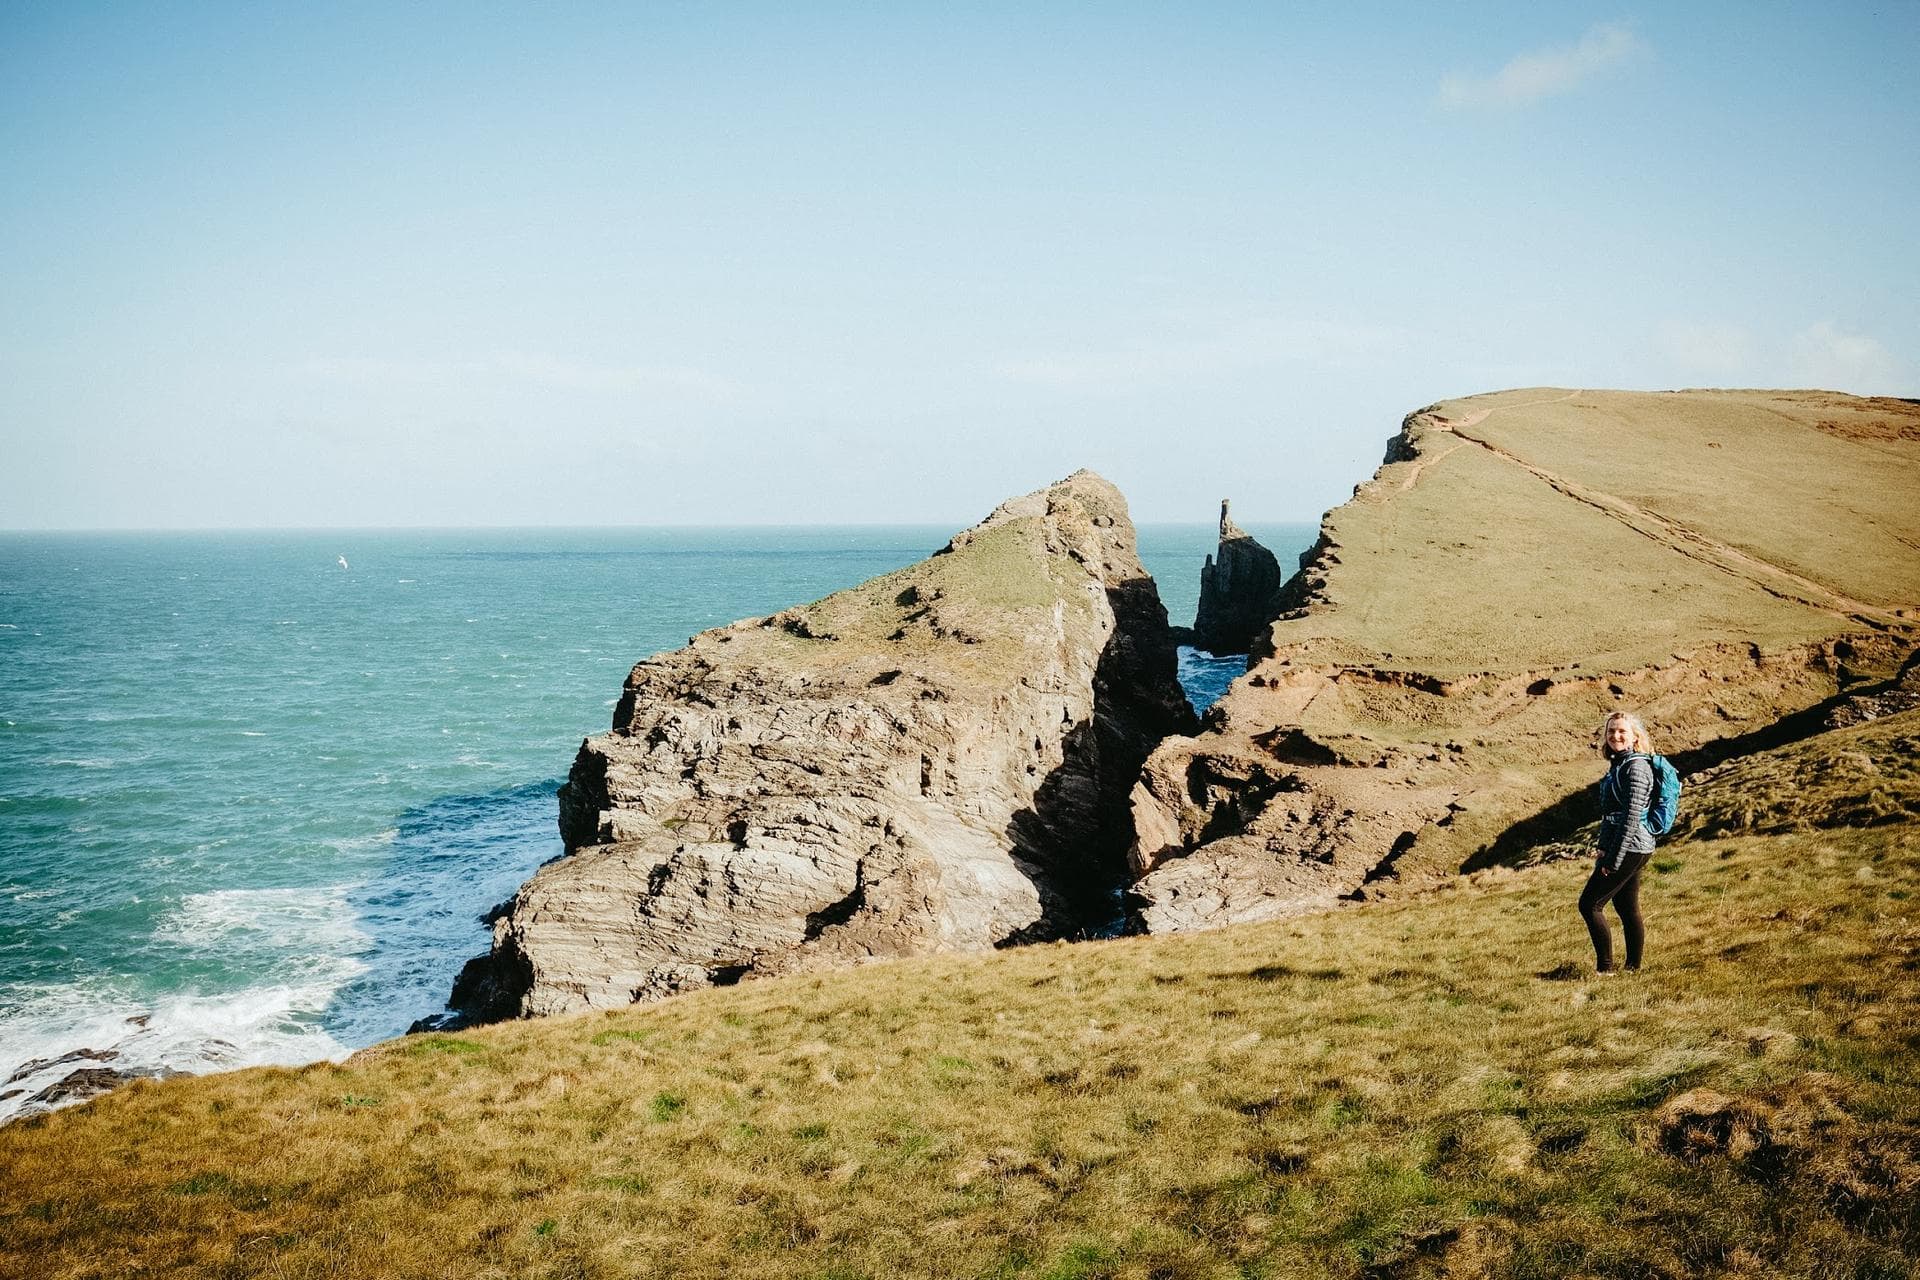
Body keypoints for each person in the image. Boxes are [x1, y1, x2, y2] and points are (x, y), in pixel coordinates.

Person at [1580, 711, 1657, 975]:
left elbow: (1631, 817)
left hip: (1632, 845)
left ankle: (1605, 970)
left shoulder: (1636, 767)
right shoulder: (1621, 764)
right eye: (1611, 731)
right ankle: (1633, 969)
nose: (1615, 736)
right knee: (1626, 908)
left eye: (1622, 731)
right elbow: (1611, 813)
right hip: (1630, 845)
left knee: (1590, 904)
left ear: (1636, 737)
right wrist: (1603, 845)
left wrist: (1613, 858)